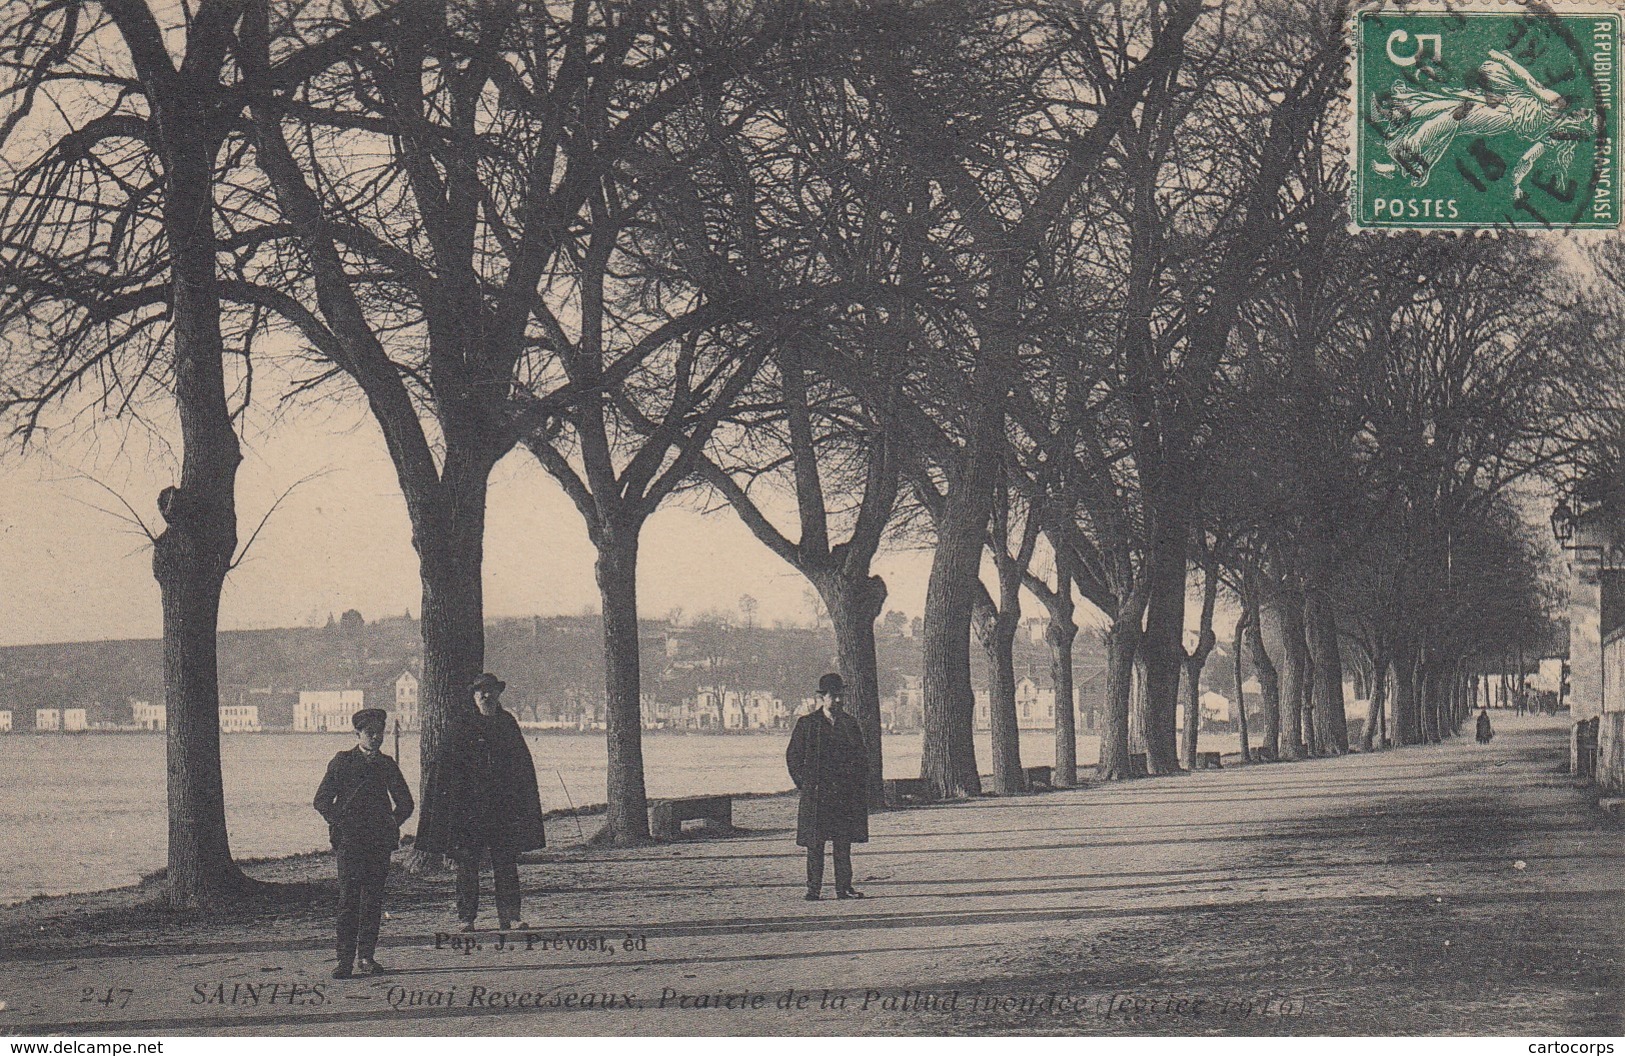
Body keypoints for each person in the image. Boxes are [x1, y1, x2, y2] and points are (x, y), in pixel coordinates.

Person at [416, 673, 546, 931]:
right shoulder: (461, 725)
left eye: (491, 691)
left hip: (502, 808)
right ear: (474, 696)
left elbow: (522, 766)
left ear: (498, 694)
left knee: (506, 863)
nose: (486, 696)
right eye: (480, 692)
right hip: (469, 809)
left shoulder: (508, 723)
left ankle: (510, 916)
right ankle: (467, 918)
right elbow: (445, 767)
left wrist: (520, 801)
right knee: (467, 864)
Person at [312, 707, 414, 979]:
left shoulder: (387, 764)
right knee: (348, 901)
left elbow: (406, 803)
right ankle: (344, 960)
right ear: (357, 734)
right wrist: (340, 822)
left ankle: (367, 957)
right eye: (370, 733)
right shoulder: (342, 762)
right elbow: (321, 800)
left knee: (372, 901)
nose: (376, 738)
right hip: (349, 843)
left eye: (380, 732)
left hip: (378, 843)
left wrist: (392, 822)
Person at [786, 673, 869, 901]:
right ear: (823, 697)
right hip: (817, 795)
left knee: (843, 845)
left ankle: (844, 888)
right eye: (834, 696)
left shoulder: (850, 724)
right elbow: (793, 757)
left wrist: (856, 786)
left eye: (842, 696)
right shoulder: (807, 724)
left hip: (843, 795)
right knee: (815, 845)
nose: (839, 701)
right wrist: (805, 784)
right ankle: (813, 889)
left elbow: (862, 758)